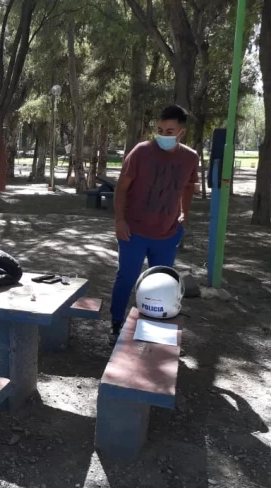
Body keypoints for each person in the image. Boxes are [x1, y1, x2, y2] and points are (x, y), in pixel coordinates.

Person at [109, 104, 198, 345]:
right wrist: (119, 220)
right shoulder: (141, 152)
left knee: (162, 286)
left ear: (182, 133)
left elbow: (189, 186)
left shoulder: (190, 157)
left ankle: (154, 331)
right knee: (127, 278)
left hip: (167, 234)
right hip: (134, 231)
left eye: (170, 131)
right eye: (160, 130)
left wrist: (184, 213)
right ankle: (116, 324)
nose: (163, 135)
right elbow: (121, 188)